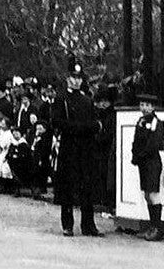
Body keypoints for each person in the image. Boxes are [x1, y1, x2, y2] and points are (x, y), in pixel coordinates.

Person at [50, 63, 103, 237]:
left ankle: (88, 225)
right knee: (68, 187)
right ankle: (68, 225)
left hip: (85, 149)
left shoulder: (87, 99)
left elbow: (96, 124)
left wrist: (89, 127)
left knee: (86, 186)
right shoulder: (61, 98)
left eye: (79, 78)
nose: (76, 81)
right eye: (73, 77)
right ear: (68, 79)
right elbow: (57, 122)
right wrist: (82, 128)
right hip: (69, 148)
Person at [130, 93, 164, 240]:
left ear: (153, 107)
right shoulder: (141, 120)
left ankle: (157, 228)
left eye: (147, 105)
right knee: (147, 194)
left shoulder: (156, 122)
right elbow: (136, 140)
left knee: (153, 194)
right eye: (142, 105)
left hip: (152, 161)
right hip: (143, 162)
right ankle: (152, 225)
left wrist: (140, 155)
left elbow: (153, 144)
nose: (144, 108)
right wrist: (135, 156)